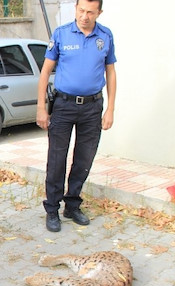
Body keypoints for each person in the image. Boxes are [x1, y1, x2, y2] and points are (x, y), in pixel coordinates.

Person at [36, 0, 117, 233]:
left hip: (93, 107)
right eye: (81, 11)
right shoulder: (62, 34)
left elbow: (110, 72)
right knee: (57, 159)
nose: (84, 16)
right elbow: (45, 72)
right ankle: (52, 209)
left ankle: (72, 205)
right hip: (63, 105)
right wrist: (41, 107)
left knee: (84, 159)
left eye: (90, 12)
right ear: (76, 9)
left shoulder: (105, 36)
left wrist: (111, 108)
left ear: (99, 12)